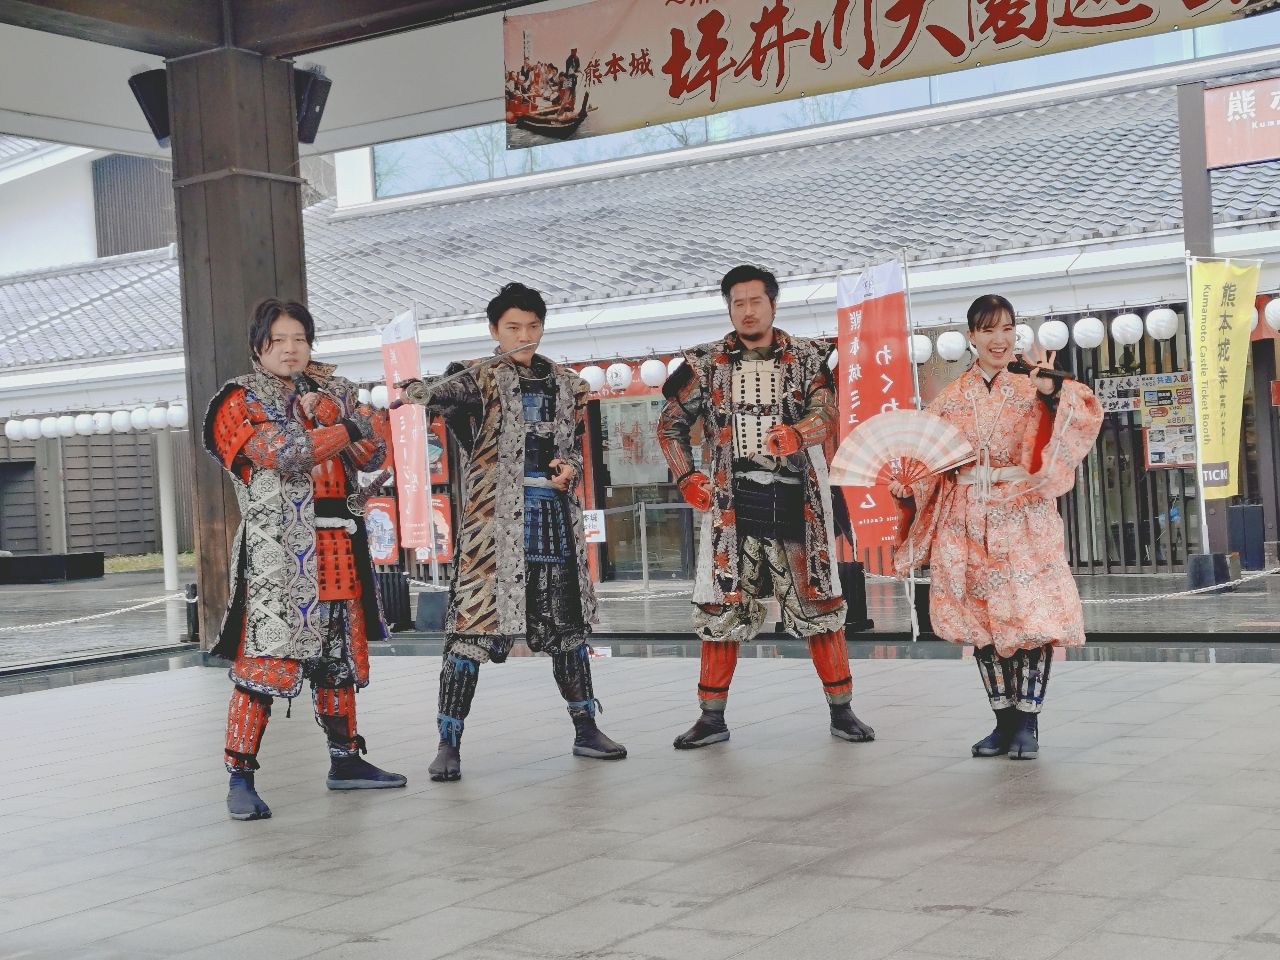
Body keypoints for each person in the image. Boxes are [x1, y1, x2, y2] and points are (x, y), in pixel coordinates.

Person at [397, 282, 625, 782]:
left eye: (533, 326)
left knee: (566, 628)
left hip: (552, 521)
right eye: (513, 327)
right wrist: (422, 390)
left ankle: (586, 727)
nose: (525, 336)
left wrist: (569, 469)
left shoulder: (567, 385)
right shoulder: (478, 378)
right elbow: (444, 391)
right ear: (494, 331)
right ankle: (448, 742)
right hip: (492, 530)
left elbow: (573, 446)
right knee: (471, 630)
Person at [204, 299, 406, 821]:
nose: (291, 348)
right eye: (278, 339)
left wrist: (345, 420)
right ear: (258, 347)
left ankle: (346, 760)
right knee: (265, 664)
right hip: (276, 554)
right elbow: (282, 452)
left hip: (338, 542)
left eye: (300, 338)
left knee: (338, 660)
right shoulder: (239, 398)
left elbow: (373, 454)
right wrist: (351, 426)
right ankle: (239, 777)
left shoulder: (332, 391)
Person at [657, 264, 875, 749]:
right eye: (738, 303)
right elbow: (669, 424)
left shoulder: (810, 357)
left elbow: (826, 413)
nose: (747, 311)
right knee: (720, 605)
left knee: (818, 601)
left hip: (799, 503)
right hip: (731, 508)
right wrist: (687, 476)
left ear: (773, 304)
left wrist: (797, 434)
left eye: (755, 301)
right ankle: (711, 717)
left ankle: (842, 711)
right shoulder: (703, 365)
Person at [891, 294, 1102, 760]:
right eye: (988, 330)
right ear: (972, 336)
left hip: (1023, 512)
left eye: (1007, 328)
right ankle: (1003, 721)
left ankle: (1028, 721)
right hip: (966, 517)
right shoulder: (949, 399)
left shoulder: (1034, 385)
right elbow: (928, 461)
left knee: (1031, 615)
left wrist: (1052, 393)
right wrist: (907, 486)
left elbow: (1080, 415)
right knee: (981, 618)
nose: (999, 339)